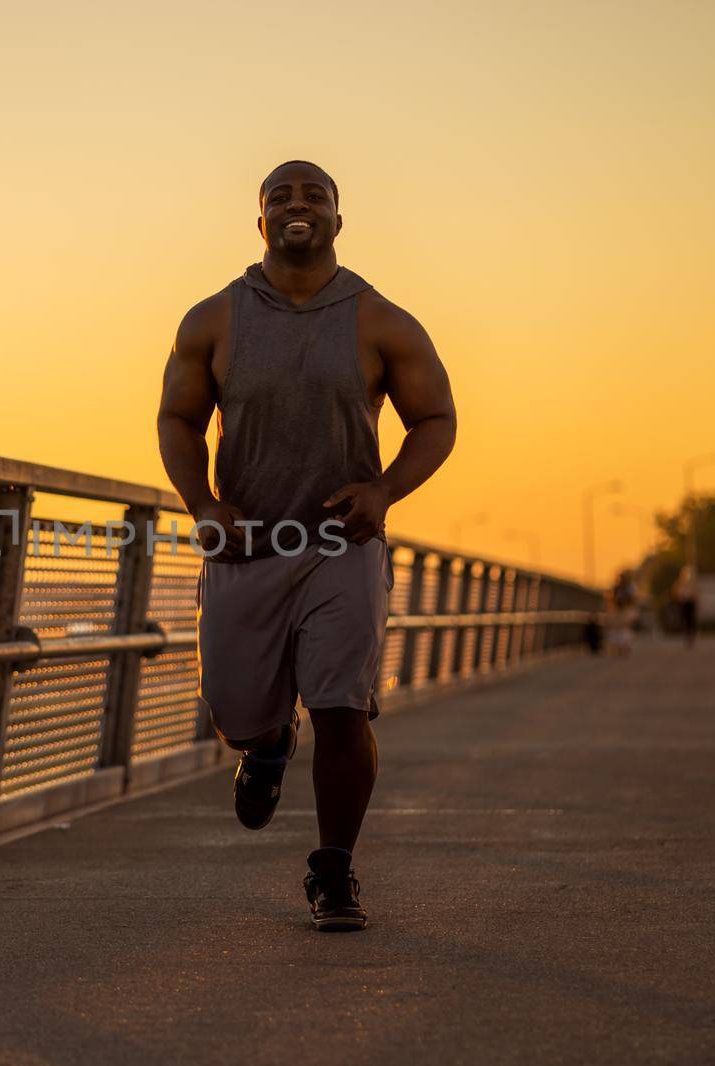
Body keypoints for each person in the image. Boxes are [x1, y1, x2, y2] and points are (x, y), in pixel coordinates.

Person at [155, 160, 456, 931]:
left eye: (313, 196)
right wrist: (203, 503)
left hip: (340, 544)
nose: (298, 207)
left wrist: (385, 491)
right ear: (260, 223)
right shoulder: (213, 319)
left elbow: (437, 419)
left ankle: (334, 870)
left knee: (342, 708)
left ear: (337, 219)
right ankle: (264, 746)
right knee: (237, 711)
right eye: (280, 198)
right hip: (247, 546)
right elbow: (178, 420)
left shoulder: (380, 319)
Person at [673, 565, 699, 648]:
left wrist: (696, 601)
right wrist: (680, 597)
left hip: (690, 603)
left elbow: (696, 594)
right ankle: (687, 636)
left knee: (691, 620)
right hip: (683, 604)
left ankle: (691, 637)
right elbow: (676, 593)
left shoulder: (692, 584)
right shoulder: (679, 583)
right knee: (685, 620)